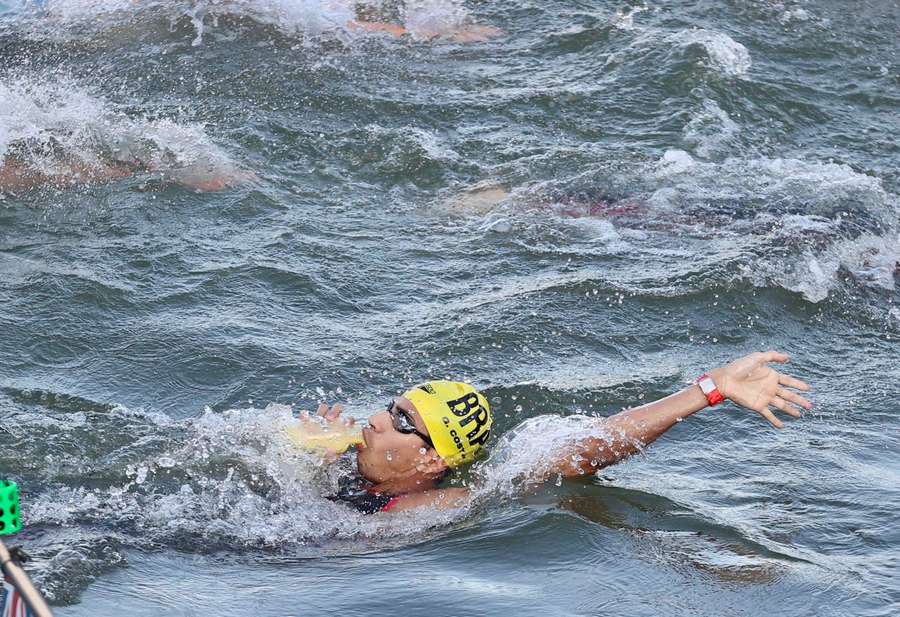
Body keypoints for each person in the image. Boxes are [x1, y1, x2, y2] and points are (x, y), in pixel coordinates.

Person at [309, 351, 812, 513]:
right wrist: (312, 462)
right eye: (390, 409)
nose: (376, 421)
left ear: (434, 461)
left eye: (403, 422)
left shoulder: (448, 502)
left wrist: (710, 389)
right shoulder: (346, 471)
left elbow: (587, 451)